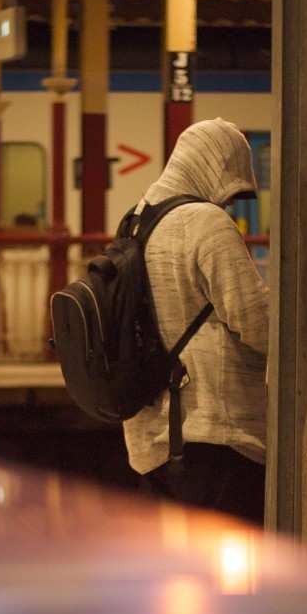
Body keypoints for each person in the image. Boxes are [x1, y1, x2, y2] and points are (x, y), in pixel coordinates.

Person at [122, 119, 269, 525]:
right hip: (214, 437)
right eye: (231, 190)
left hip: (150, 439)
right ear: (215, 168)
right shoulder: (205, 223)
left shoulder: (136, 221)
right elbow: (257, 324)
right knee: (229, 574)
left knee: (172, 572)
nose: (228, 204)